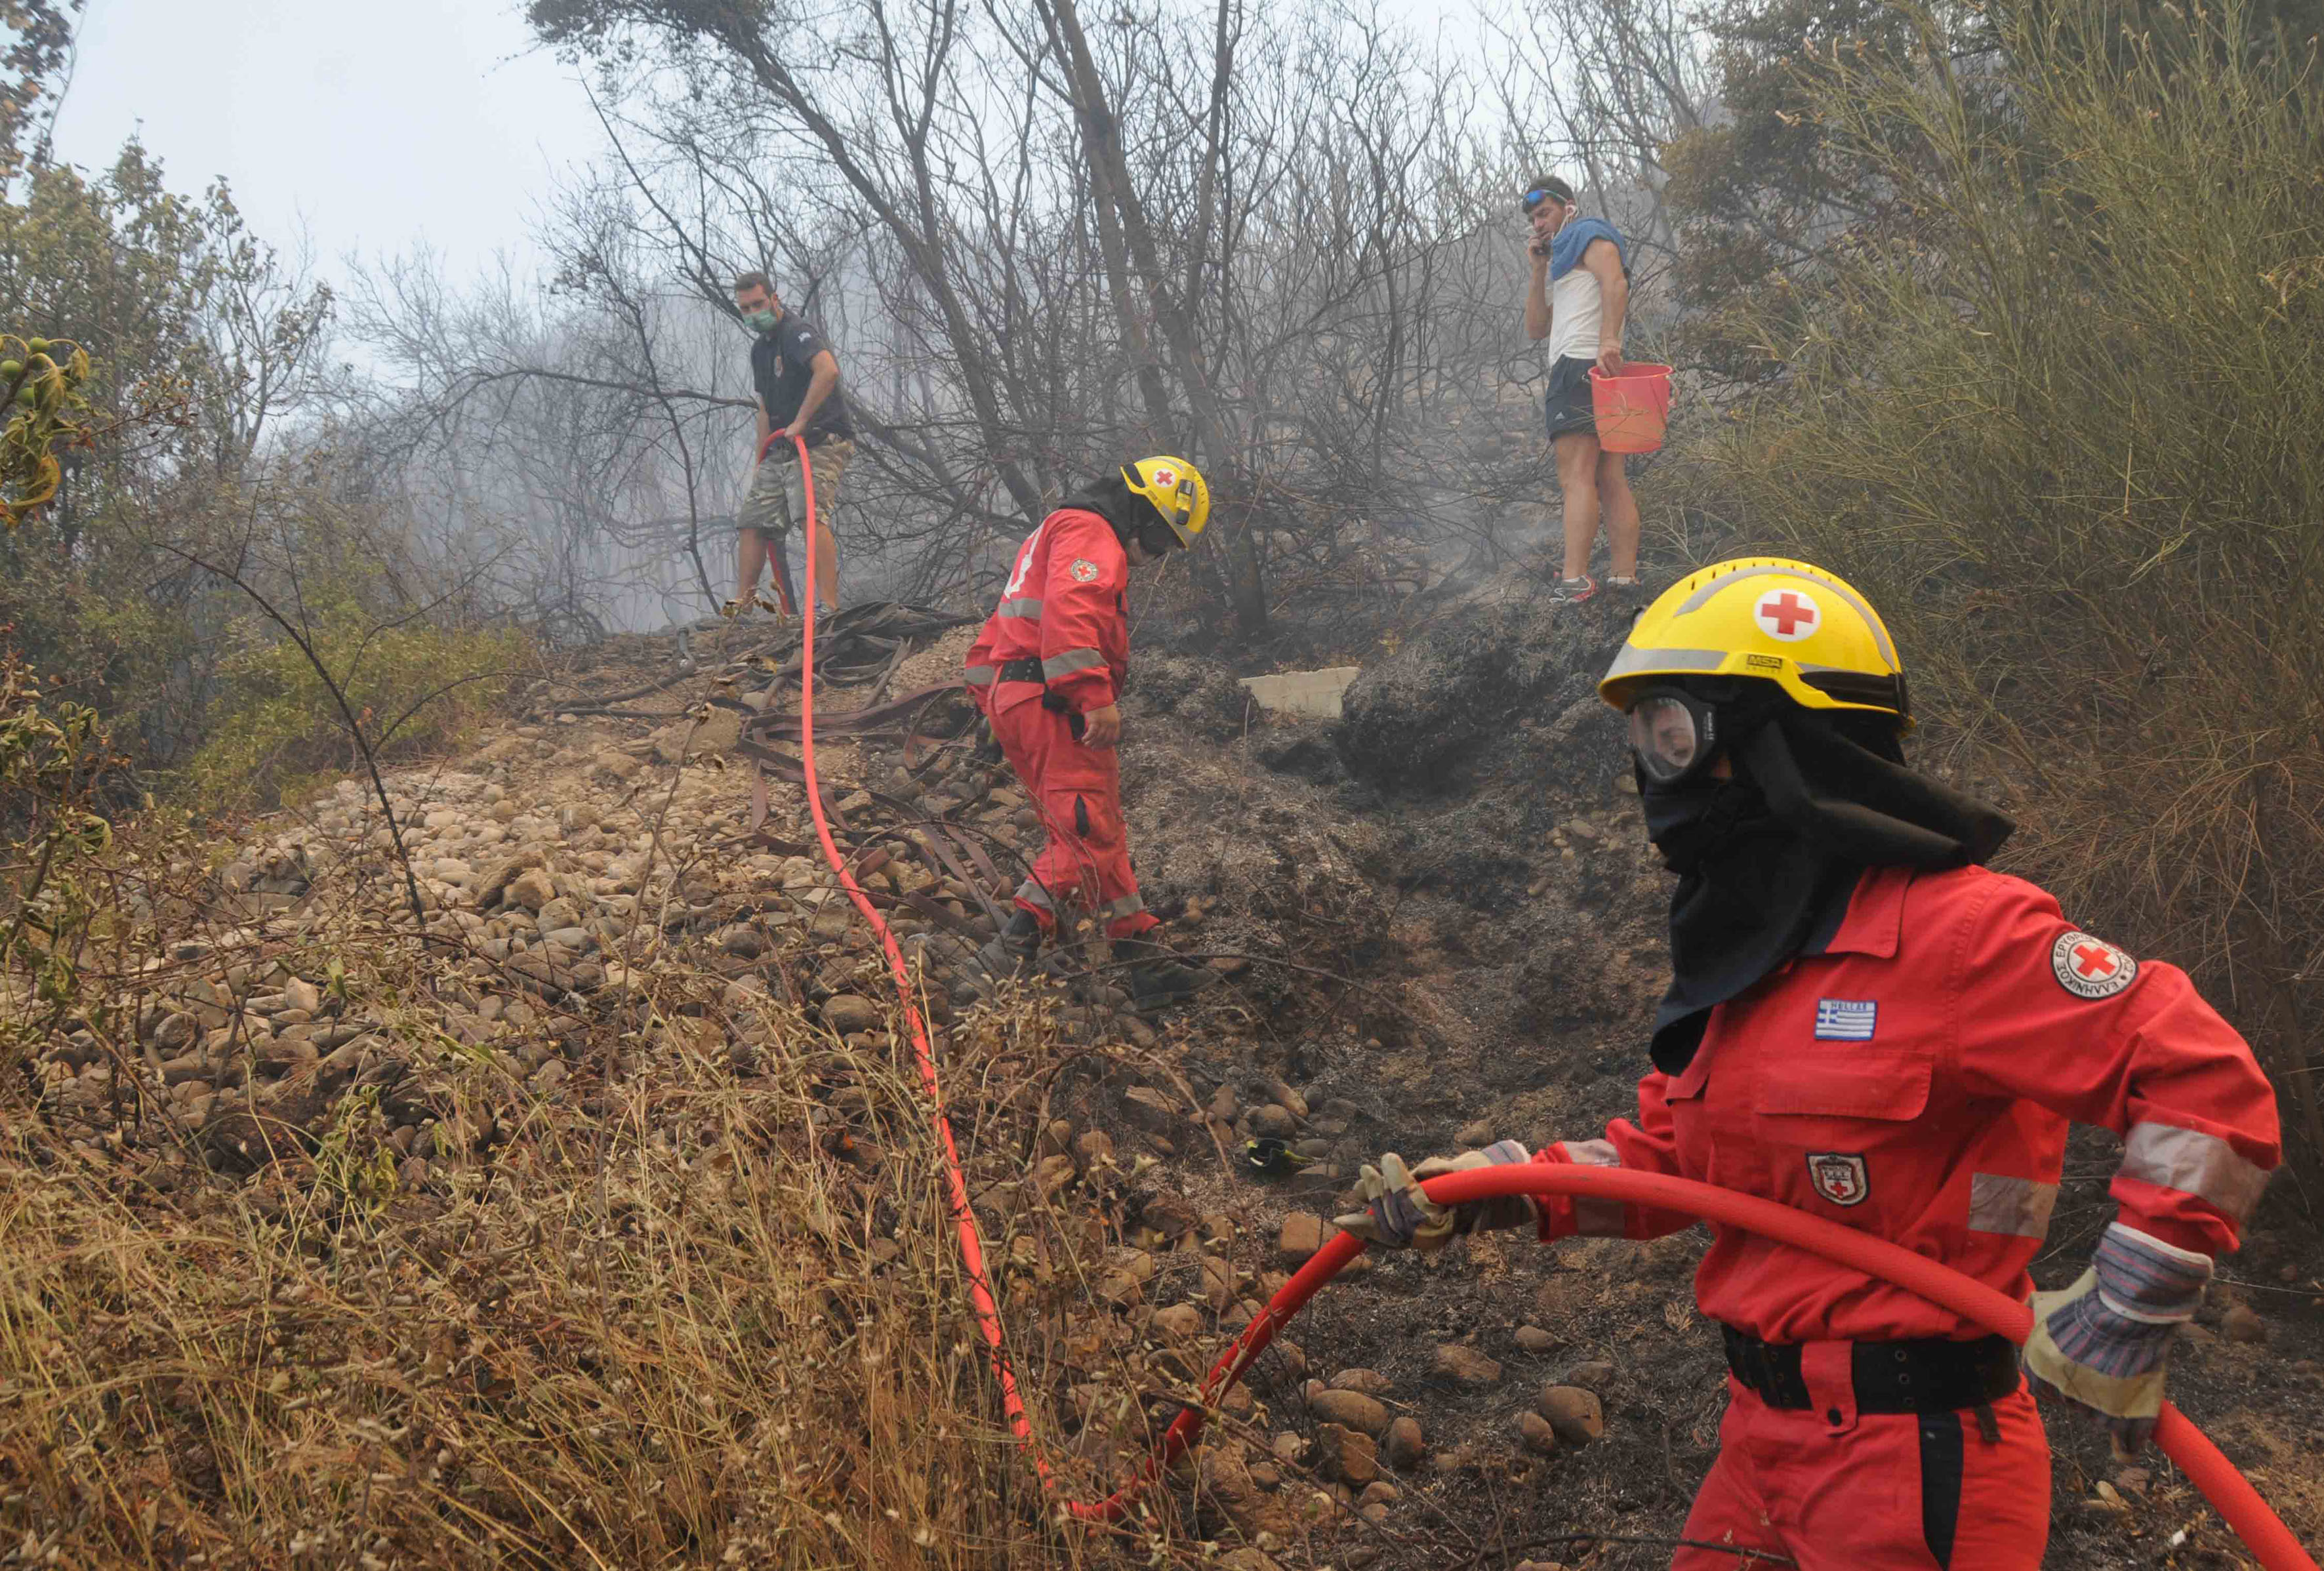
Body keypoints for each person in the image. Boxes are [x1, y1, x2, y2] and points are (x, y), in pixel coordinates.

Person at [1337, 558, 2281, 1570]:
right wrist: (1491, 1185)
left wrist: (2131, 1302)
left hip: (1914, 1458)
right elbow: (1675, 1163)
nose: (1658, 778)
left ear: (1773, 739)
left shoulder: (1964, 933)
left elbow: (2203, 1078)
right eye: (1645, 741)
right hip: (1756, 1438)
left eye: (1674, 735)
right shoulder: (1747, 953)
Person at [963, 457, 1221, 1013]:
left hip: (1021, 697)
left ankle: (1139, 957)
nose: (1155, 555)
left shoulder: (1053, 530)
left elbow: (1002, 623)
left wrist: (992, 702)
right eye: (1159, 539)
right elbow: (1071, 609)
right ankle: (1003, 955)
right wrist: (1093, 695)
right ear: (1142, 509)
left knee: (1096, 827)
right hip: (1054, 700)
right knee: (1082, 833)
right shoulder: (1091, 530)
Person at [1522, 176, 1639, 605]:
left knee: (1575, 476)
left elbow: (1616, 281)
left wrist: (1609, 339)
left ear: (1567, 207)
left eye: (1544, 212)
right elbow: (1536, 327)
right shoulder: (1565, 260)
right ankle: (1623, 578)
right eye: (1533, 217)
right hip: (1597, 371)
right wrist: (1538, 270)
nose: (1538, 222)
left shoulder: (1587, 234)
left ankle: (1575, 581)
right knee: (1608, 477)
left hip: (1579, 366)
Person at [729, 270, 853, 619]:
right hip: (781, 446)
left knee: (808, 513)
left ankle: (828, 606)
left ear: (775, 299)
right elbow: (766, 408)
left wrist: (801, 420)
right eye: (746, 309)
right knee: (752, 520)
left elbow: (828, 371)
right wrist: (760, 458)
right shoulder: (760, 351)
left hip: (823, 438)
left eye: (758, 304)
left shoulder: (798, 333)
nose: (754, 313)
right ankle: (740, 611)